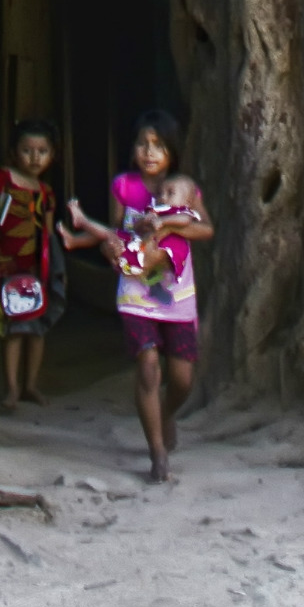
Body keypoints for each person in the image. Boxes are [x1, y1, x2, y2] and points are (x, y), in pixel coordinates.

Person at [69, 110, 214, 483]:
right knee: (148, 367)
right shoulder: (124, 186)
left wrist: (168, 224)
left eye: (159, 145)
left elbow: (206, 229)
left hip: (176, 293)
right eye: (142, 144)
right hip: (136, 290)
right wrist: (110, 250)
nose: (149, 152)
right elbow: (118, 233)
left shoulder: (185, 188)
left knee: (182, 379)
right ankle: (157, 453)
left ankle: (165, 414)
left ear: (172, 151)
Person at [0, 119, 84, 412]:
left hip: (37, 269)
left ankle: (30, 385)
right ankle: (12, 388)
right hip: (10, 267)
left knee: (37, 328)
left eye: (42, 151)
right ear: (14, 152)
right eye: (27, 150)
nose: (35, 158)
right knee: (15, 327)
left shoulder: (46, 193)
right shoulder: (2, 179)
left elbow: (48, 234)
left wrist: (56, 270)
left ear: (52, 155)